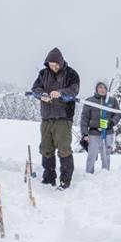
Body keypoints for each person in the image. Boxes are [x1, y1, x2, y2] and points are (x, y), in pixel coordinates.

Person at [31, 47, 81, 189]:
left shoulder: (71, 74)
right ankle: (48, 178)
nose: (53, 68)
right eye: (51, 65)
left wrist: (60, 93)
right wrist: (42, 95)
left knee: (64, 149)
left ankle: (65, 181)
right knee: (46, 148)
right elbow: (35, 89)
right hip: (47, 117)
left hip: (63, 118)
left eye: (56, 65)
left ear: (60, 62)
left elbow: (74, 91)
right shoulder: (43, 73)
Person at [80, 81, 121, 174]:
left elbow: (118, 114)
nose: (102, 89)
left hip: (108, 133)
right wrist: (84, 133)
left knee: (106, 154)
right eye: (100, 87)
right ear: (96, 88)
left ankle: (105, 173)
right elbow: (84, 118)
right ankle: (89, 174)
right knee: (92, 155)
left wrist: (111, 122)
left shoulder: (112, 100)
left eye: (104, 87)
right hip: (93, 133)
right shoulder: (90, 100)